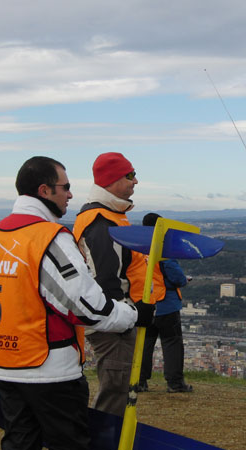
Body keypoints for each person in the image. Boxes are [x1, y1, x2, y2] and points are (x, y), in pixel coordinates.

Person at [0, 156, 147, 450]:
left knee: (19, 440)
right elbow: (87, 306)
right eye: (65, 187)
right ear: (44, 190)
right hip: (50, 369)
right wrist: (133, 314)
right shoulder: (50, 237)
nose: (71, 194)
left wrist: (13, 329)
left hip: (4, 365)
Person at [73, 152, 156, 417]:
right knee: (116, 390)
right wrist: (131, 314)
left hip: (120, 318)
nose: (136, 181)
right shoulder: (101, 221)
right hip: (114, 323)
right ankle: (107, 434)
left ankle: (112, 432)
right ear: (111, 179)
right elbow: (105, 281)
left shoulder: (111, 215)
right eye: (130, 175)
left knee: (120, 388)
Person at [137, 212, 193, 394]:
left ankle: (139, 381)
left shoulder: (137, 249)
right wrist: (184, 280)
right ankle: (175, 383)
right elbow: (176, 276)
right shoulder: (162, 250)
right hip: (166, 304)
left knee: (144, 345)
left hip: (145, 304)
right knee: (172, 344)